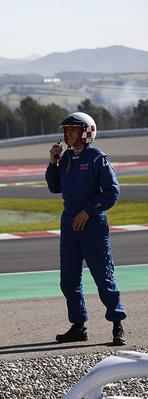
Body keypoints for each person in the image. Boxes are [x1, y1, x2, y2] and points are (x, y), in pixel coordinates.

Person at [46, 112, 127, 346]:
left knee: (104, 276)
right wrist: (53, 162)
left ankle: (117, 324)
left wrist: (89, 211)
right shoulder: (66, 158)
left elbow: (112, 191)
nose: (68, 134)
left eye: (73, 129)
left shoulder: (96, 157)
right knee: (69, 279)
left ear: (86, 132)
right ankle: (78, 326)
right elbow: (54, 187)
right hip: (70, 225)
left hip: (93, 226)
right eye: (67, 130)